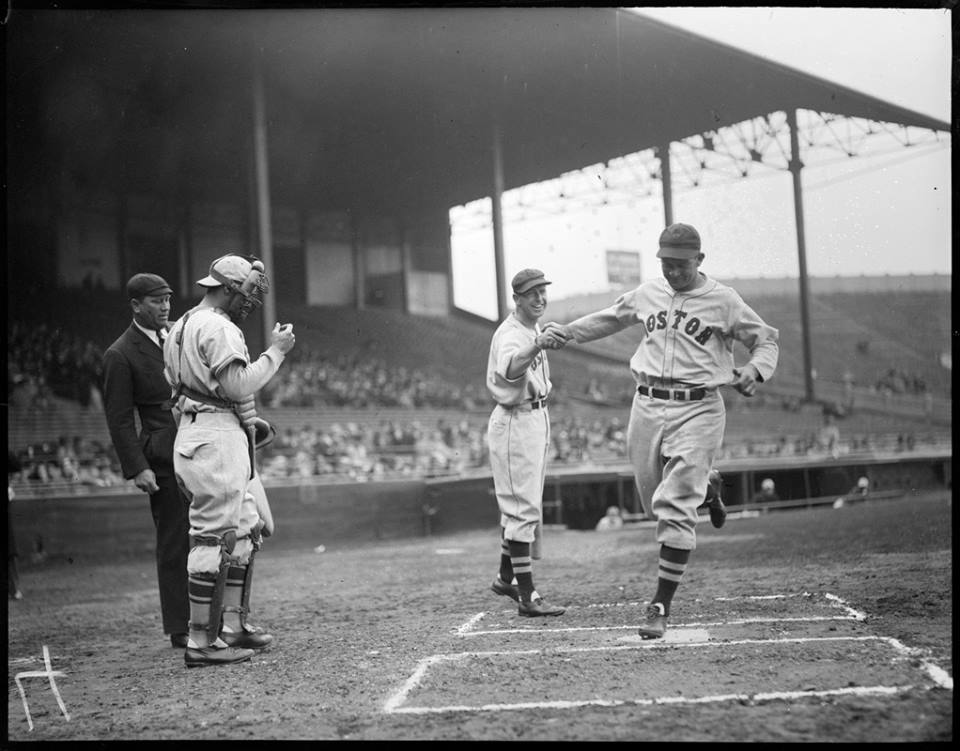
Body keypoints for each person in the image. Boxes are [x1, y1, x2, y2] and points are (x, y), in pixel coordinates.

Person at [545, 223, 779, 639]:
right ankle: (708, 487)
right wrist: (566, 332)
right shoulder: (650, 292)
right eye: (666, 264)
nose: (672, 272)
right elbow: (610, 318)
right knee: (654, 503)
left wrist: (754, 370)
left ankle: (660, 606)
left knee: (673, 510)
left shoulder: (723, 300)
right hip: (647, 405)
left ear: (699, 260)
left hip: (699, 408)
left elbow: (766, 340)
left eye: (680, 265)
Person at [163, 253, 295, 667]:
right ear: (222, 288)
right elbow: (238, 384)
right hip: (214, 436)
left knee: (244, 527)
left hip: (203, 428)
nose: (249, 301)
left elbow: (196, 390)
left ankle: (233, 626)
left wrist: (246, 422)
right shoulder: (219, 326)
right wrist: (275, 352)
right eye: (244, 292)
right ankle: (201, 641)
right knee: (212, 536)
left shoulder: (180, 325)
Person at [102, 273, 190, 648]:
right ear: (136, 305)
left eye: (168, 300)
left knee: (211, 534)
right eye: (156, 301)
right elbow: (119, 418)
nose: (166, 307)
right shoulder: (120, 353)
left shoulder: (181, 335)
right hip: (163, 455)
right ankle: (182, 627)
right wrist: (138, 467)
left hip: (200, 444)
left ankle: (213, 615)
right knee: (175, 541)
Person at [486, 268, 567, 617]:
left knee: (526, 502)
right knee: (522, 507)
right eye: (531, 293)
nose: (539, 298)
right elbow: (512, 368)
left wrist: (538, 338)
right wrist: (536, 343)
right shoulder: (511, 334)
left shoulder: (530, 328)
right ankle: (527, 595)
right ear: (516, 298)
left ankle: (507, 577)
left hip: (534, 416)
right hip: (515, 417)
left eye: (542, 292)